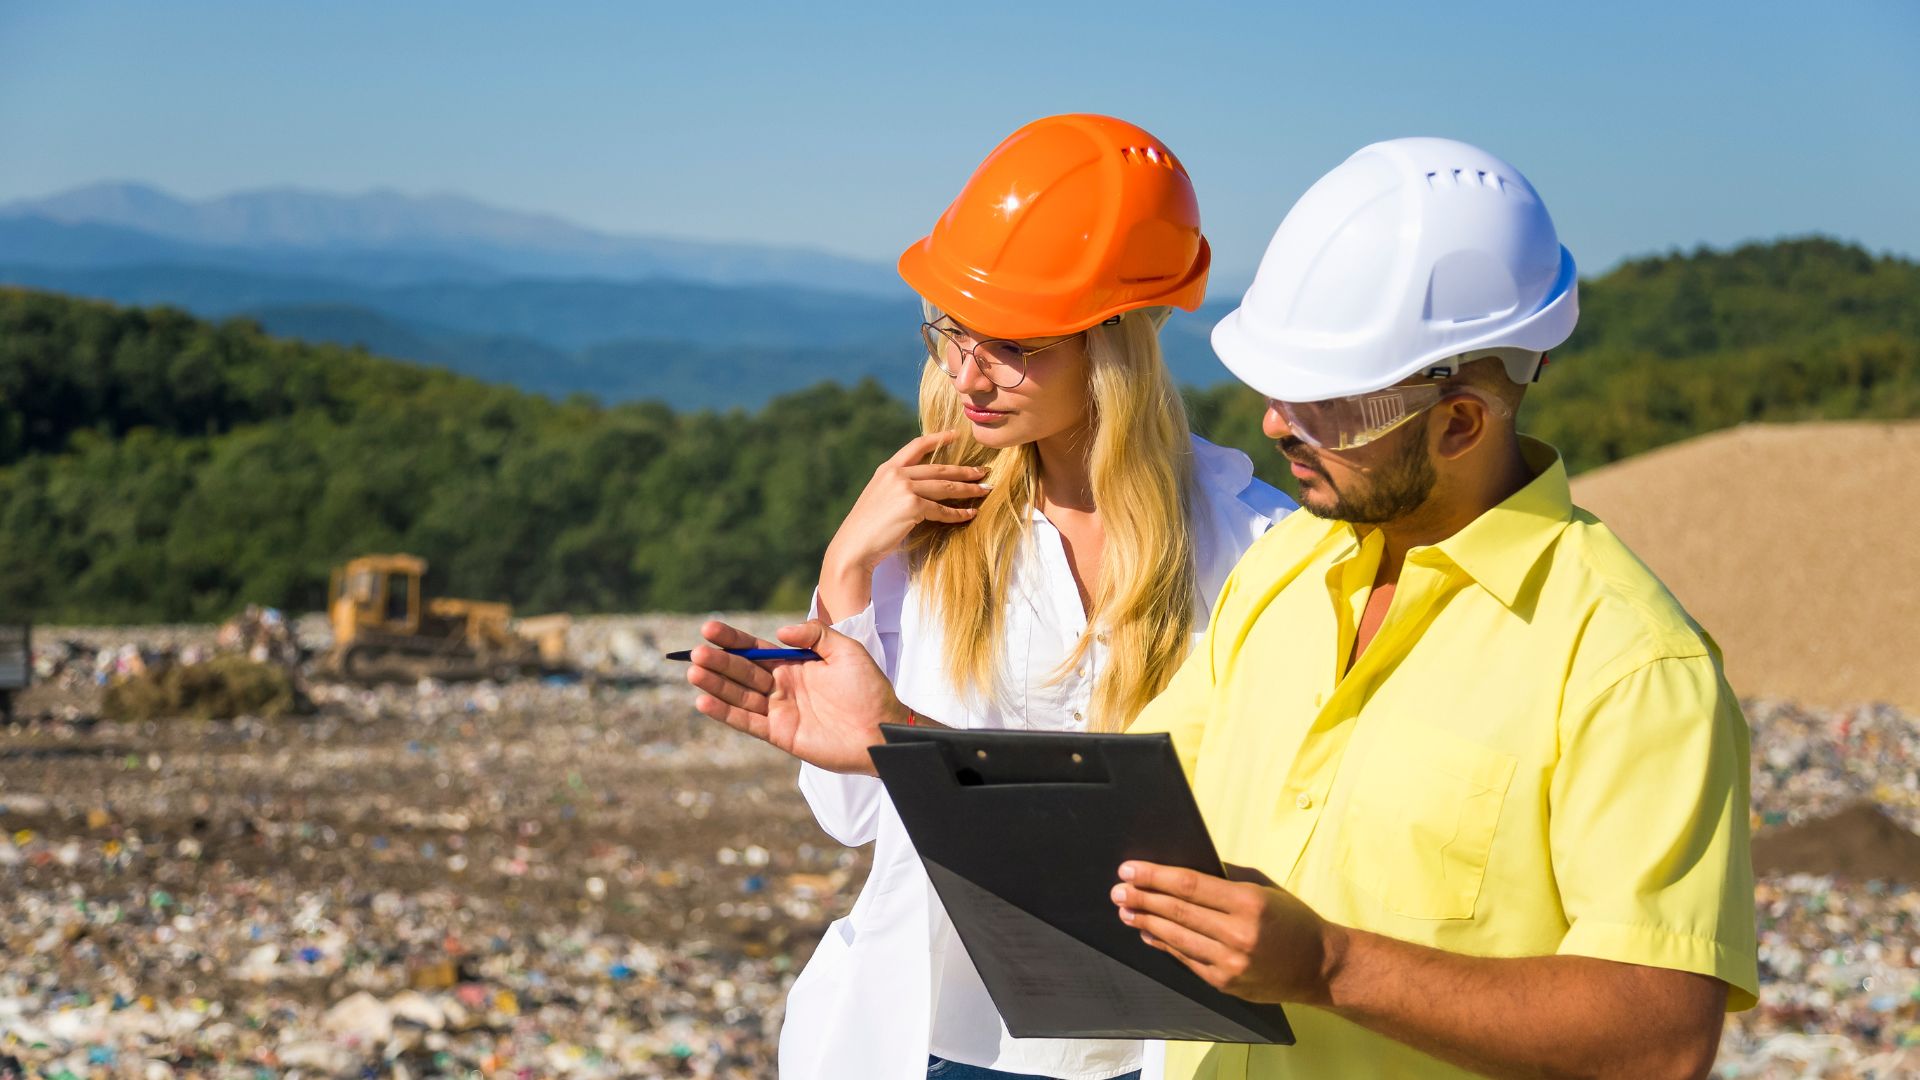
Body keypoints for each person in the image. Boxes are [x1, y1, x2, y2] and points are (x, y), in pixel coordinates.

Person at [688, 137, 1758, 1079]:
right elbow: (1111, 828)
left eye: (1325, 402)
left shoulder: (1628, 666)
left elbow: (1661, 1040)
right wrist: (899, 740)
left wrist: (1330, 965)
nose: (1275, 422)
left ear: (1461, 422)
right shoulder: (1282, 585)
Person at [736, 114, 1294, 1080]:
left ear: (1115, 342)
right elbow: (849, 818)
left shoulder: (1259, 545)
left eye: (1013, 344)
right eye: (952, 333)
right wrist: (845, 573)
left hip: (1156, 1053)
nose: (967, 375)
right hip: (935, 1041)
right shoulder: (927, 526)